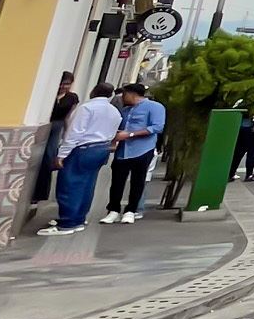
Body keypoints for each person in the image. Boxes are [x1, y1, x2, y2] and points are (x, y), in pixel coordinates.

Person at [40, 83, 120, 236]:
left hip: (83, 149)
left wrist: (62, 154)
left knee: (70, 185)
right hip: (101, 149)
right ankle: (78, 219)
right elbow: (112, 132)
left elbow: (75, 133)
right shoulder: (114, 111)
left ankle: (67, 222)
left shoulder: (87, 108)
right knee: (87, 185)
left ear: (93, 91)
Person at [101, 81, 165, 224]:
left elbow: (157, 127)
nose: (122, 98)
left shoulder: (155, 107)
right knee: (117, 181)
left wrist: (130, 135)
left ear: (131, 94)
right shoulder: (125, 111)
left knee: (138, 180)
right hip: (123, 150)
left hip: (143, 149)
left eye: (124, 94)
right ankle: (113, 210)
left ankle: (131, 210)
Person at [37, 71, 77, 208]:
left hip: (57, 126)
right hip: (46, 123)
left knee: (48, 157)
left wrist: (67, 134)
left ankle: (40, 193)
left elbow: (68, 117)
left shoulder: (72, 98)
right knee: (39, 158)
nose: (64, 87)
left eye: (67, 84)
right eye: (62, 83)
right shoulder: (49, 94)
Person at [229, 108, 254, 183]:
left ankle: (231, 174)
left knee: (238, 153)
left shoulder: (242, 103)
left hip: (243, 127)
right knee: (251, 154)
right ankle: (249, 174)